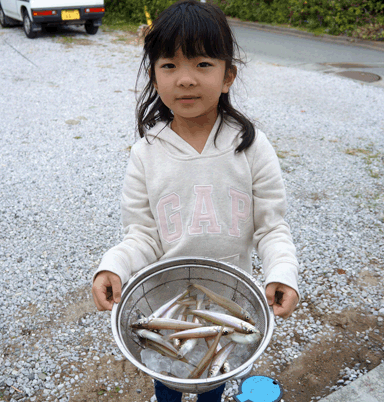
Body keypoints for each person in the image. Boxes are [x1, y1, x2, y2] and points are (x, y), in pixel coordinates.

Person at [92, 1, 300, 401]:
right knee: (167, 383)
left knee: (214, 385)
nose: (185, 79)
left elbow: (271, 227)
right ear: (153, 76)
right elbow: (143, 235)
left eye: (202, 64)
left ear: (228, 76)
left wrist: (282, 273)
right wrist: (113, 265)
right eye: (169, 65)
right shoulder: (146, 154)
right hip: (166, 307)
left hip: (231, 308)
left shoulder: (252, 147)